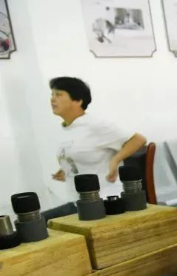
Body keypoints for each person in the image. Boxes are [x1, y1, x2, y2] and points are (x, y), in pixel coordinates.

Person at [49, 77, 146, 215]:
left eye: (58, 94)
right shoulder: (66, 129)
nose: (52, 99)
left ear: (78, 101)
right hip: (77, 202)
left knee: (40, 223)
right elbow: (82, 154)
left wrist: (115, 160)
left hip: (104, 200)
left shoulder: (95, 125)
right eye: (52, 95)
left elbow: (138, 140)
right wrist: (67, 168)